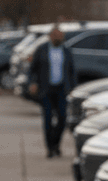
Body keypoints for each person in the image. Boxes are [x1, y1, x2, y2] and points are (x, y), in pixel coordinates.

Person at [29, 27, 76, 158]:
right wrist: (33, 83)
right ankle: (50, 148)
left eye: (60, 36)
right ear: (50, 36)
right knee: (48, 119)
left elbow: (72, 70)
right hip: (46, 89)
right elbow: (33, 69)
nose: (58, 38)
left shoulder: (66, 51)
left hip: (61, 89)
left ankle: (56, 143)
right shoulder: (42, 49)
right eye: (55, 35)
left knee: (62, 118)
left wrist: (72, 87)